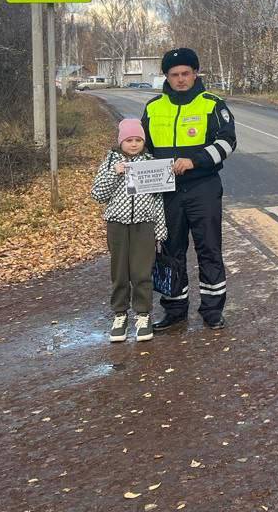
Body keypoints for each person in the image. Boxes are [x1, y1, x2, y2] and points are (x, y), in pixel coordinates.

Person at [142, 47, 237, 331]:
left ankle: (211, 310)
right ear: (166, 77)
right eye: (175, 74)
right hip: (166, 192)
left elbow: (227, 142)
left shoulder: (212, 104)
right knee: (170, 250)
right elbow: (142, 148)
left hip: (203, 187)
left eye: (186, 73)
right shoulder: (153, 107)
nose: (181, 79)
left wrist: (195, 161)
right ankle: (174, 309)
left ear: (195, 73)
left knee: (209, 248)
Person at [91, 118, 167, 342]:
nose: (133, 144)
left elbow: (158, 200)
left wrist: (160, 229)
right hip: (117, 225)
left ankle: (143, 315)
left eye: (138, 140)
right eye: (129, 140)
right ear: (120, 141)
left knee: (142, 272)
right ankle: (120, 314)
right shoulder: (110, 162)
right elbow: (98, 194)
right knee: (120, 272)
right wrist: (116, 173)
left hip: (145, 225)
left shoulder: (151, 163)